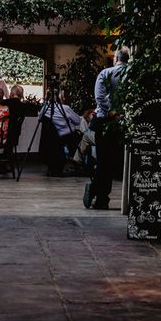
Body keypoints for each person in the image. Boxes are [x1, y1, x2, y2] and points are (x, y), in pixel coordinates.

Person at [84, 45, 130, 210]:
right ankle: (115, 198)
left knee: (103, 161)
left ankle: (100, 196)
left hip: (105, 121)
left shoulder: (105, 73)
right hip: (124, 122)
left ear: (115, 59)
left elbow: (99, 97)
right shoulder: (132, 75)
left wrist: (111, 112)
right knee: (117, 161)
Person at [38, 91, 81, 176]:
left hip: (53, 138)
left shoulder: (44, 108)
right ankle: (77, 162)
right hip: (67, 136)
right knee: (78, 136)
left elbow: (40, 119)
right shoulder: (65, 108)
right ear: (59, 97)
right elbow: (77, 121)